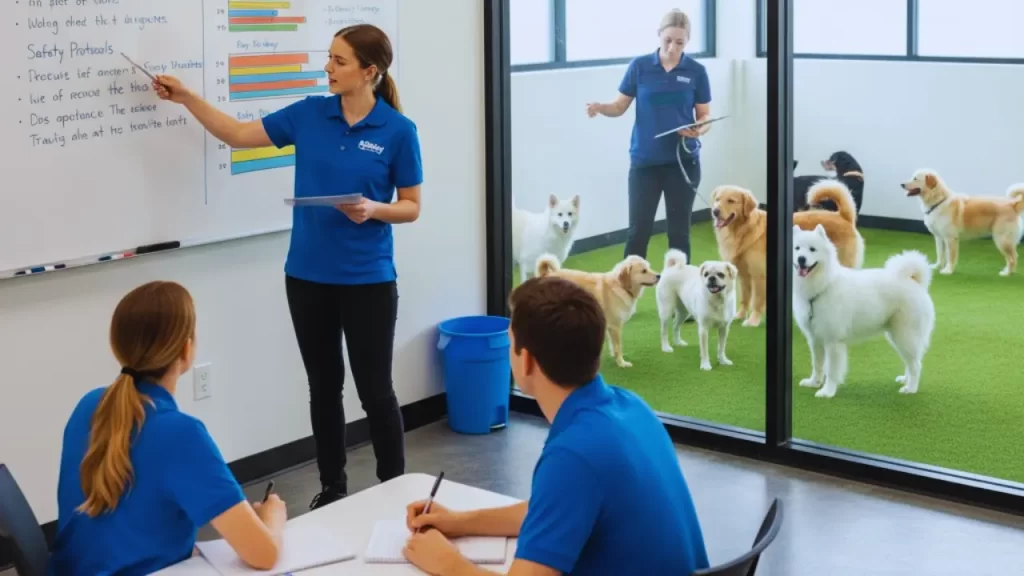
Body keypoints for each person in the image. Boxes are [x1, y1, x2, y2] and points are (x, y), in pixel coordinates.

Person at [153, 24, 423, 509]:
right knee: (324, 389)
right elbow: (236, 135)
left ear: (370, 71)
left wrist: (373, 209)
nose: (328, 68)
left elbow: (411, 206)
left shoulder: (399, 132)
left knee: (376, 393)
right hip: (306, 278)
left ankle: (394, 493)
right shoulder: (308, 114)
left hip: (368, 281)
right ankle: (333, 490)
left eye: (339, 61)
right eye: (329, 58)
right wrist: (187, 97)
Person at [401, 276, 710, 576]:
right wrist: (458, 522)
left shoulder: (574, 455)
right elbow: (552, 512)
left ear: (526, 361)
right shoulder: (630, 407)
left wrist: (447, 564)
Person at [49, 281, 287, 575]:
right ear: (187, 349)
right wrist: (272, 516)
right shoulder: (180, 434)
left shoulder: (89, 404)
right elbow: (264, 554)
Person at [586, 9, 712, 263]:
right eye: (668, 40)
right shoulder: (640, 67)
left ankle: (679, 293)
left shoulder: (696, 71)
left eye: (680, 42)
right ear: (658, 36)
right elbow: (619, 106)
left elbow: (705, 115)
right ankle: (625, 294)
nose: (673, 47)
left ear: (687, 41)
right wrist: (601, 108)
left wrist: (699, 128)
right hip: (645, 162)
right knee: (638, 232)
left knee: (679, 234)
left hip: (682, 162)